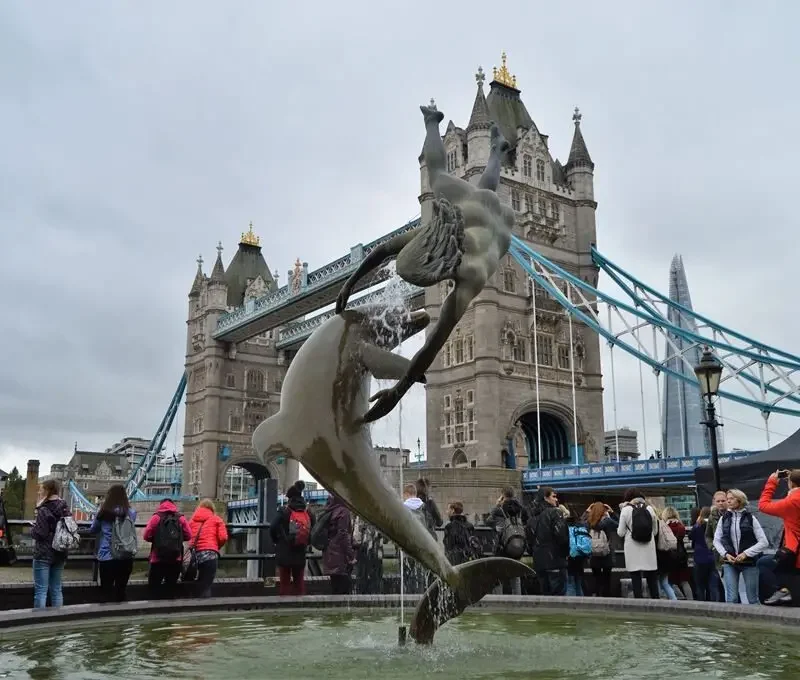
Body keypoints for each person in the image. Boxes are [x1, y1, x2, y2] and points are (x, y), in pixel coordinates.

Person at [335, 104, 515, 424]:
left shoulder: (472, 275)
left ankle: (454, 130)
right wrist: (349, 285)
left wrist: (399, 391)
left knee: (443, 178)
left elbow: (430, 348)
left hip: (502, 230)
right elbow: (386, 250)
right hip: (486, 213)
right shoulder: (442, 231)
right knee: (453, 182)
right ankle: (478, 143)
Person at [713, 488, 769, 604]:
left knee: (752, 599)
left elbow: (764, 542)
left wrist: (746, 553)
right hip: (730, 562)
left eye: (731, 499)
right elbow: (716, 541)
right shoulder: (724, 519)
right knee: (731, 598)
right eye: (727, 499)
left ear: (739, 500)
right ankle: (731, 622)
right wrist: (725, 554)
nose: (728, 501)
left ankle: (756, 621)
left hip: (749, 562)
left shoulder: (750, 518)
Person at [758, 469, 800, 606]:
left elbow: (763, 505)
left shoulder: (791, 502)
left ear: (791, 483)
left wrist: (771, 482)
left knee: (763, 563)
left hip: (795, 553)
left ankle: (783, 590)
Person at [89, 484, 137, 602]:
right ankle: (121, 615)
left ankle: (107, 615)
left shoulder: (103, 513)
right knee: (121, 590)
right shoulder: (131, 513)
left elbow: (93, 529)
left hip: (107, 556)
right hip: (126, 554)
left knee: (106, 590)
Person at [30, 479, 70, 608]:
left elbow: (40, 533)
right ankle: (57, 619)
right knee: (56, 588)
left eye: (41, 489)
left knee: (41, 591)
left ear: (47, 490)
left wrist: (33, 529)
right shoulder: (65, 507)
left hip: (43, 552)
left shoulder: (44, 509)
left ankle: (39, 621)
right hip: (60, 551)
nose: (39, 491)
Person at [270, 481, 313, 596]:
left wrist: (276, 540)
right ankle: (300, 606)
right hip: (300, 550)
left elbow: (273, 526)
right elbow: (313, 527)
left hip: (285, 550)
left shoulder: (284, 511)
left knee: (285, 583)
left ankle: (285, 606)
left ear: (289, 498)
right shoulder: (307, 511)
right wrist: (307, 541)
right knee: (299, 582)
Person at [143, 498, 191, 597]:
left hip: (157, 558)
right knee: (171, 589)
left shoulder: (156, 517)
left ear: (161, 505)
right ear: (173, 505)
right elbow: (189, 535)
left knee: (154, 588)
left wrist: (156, 539)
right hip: (175, 558)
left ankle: (155, 609)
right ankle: (169, 609)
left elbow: (146, 535)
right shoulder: (180, 518)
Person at [617, 488, 659, 599]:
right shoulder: (649, 509)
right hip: (649, 546)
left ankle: (639, 601)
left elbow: (620, 533)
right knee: (652, 578)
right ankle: (656, 600)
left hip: (632, 547)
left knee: (635, 577)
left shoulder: (625, 510)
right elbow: (655, 532)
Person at [525, 487, 569, 596]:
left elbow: (529, 541)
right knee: (559, 596)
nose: (556, 499)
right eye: (553, 496)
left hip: (539, 562)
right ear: (545, 498)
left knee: (546, 595)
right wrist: (565, 554)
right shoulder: (555, 513)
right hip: (556, 561)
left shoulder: (532, 518)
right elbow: (562, 537)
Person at [488, 487, 529, 595]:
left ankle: (498, 598)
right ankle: (517, 598)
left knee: (498, 575)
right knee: (515, 575)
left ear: (503, 495)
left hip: (502, 546)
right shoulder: (521, 509)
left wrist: (497, 504)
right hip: (517, 546)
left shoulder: (499, 509)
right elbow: (527, 521)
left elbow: (488, 520)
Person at [187, 499, 228, 598]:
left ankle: (192, 603)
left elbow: (188, 536)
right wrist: (216, 546)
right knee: (206, 583)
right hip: (210, 554)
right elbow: (223, 537)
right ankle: (204, 604)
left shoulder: (192, 520)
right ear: (212, 508)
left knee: (194, 580)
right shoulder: (216, 519)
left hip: (195, 555)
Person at [322, 494, 355, 595]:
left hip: (330, 549)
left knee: (335, 582)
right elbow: (343, 535)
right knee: (344, 583)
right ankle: (343, 605)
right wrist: (351, 554)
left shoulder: (329, 510)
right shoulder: (343, 512)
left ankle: (335, 604)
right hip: (340, 552)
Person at [585, 501, 618, 597]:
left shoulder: (588, 522)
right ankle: (606, 596)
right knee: (607, 578)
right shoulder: (607, 521)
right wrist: (612, 512)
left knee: (596, 577)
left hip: (593, 554)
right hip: (606, 554)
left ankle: (597, 595)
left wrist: (587, 512)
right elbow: (619, 525)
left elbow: (580, 524)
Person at [689, 507, 721, 602]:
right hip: (712, 557)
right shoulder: (714, 525)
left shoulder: (698, 526)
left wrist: (696, 524)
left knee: (700, 585)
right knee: (713, 586)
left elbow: (691, 536)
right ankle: (716, 605)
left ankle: (702, 605)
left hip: (699, 558)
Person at [661, 507, 692, 600]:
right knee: (684, 581)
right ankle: (691, 600)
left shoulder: (665, 527)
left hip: (669, 556)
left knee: (668, 581)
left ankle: (676, 599)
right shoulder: (681, 526)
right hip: (681, 556)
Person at [443, 501, 480, 565]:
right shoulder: (469, 525)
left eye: (448, 509)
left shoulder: (449, 527)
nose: (447, 512)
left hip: (455, 561)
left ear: (453, 510)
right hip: (468, 560)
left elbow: (448, 546)